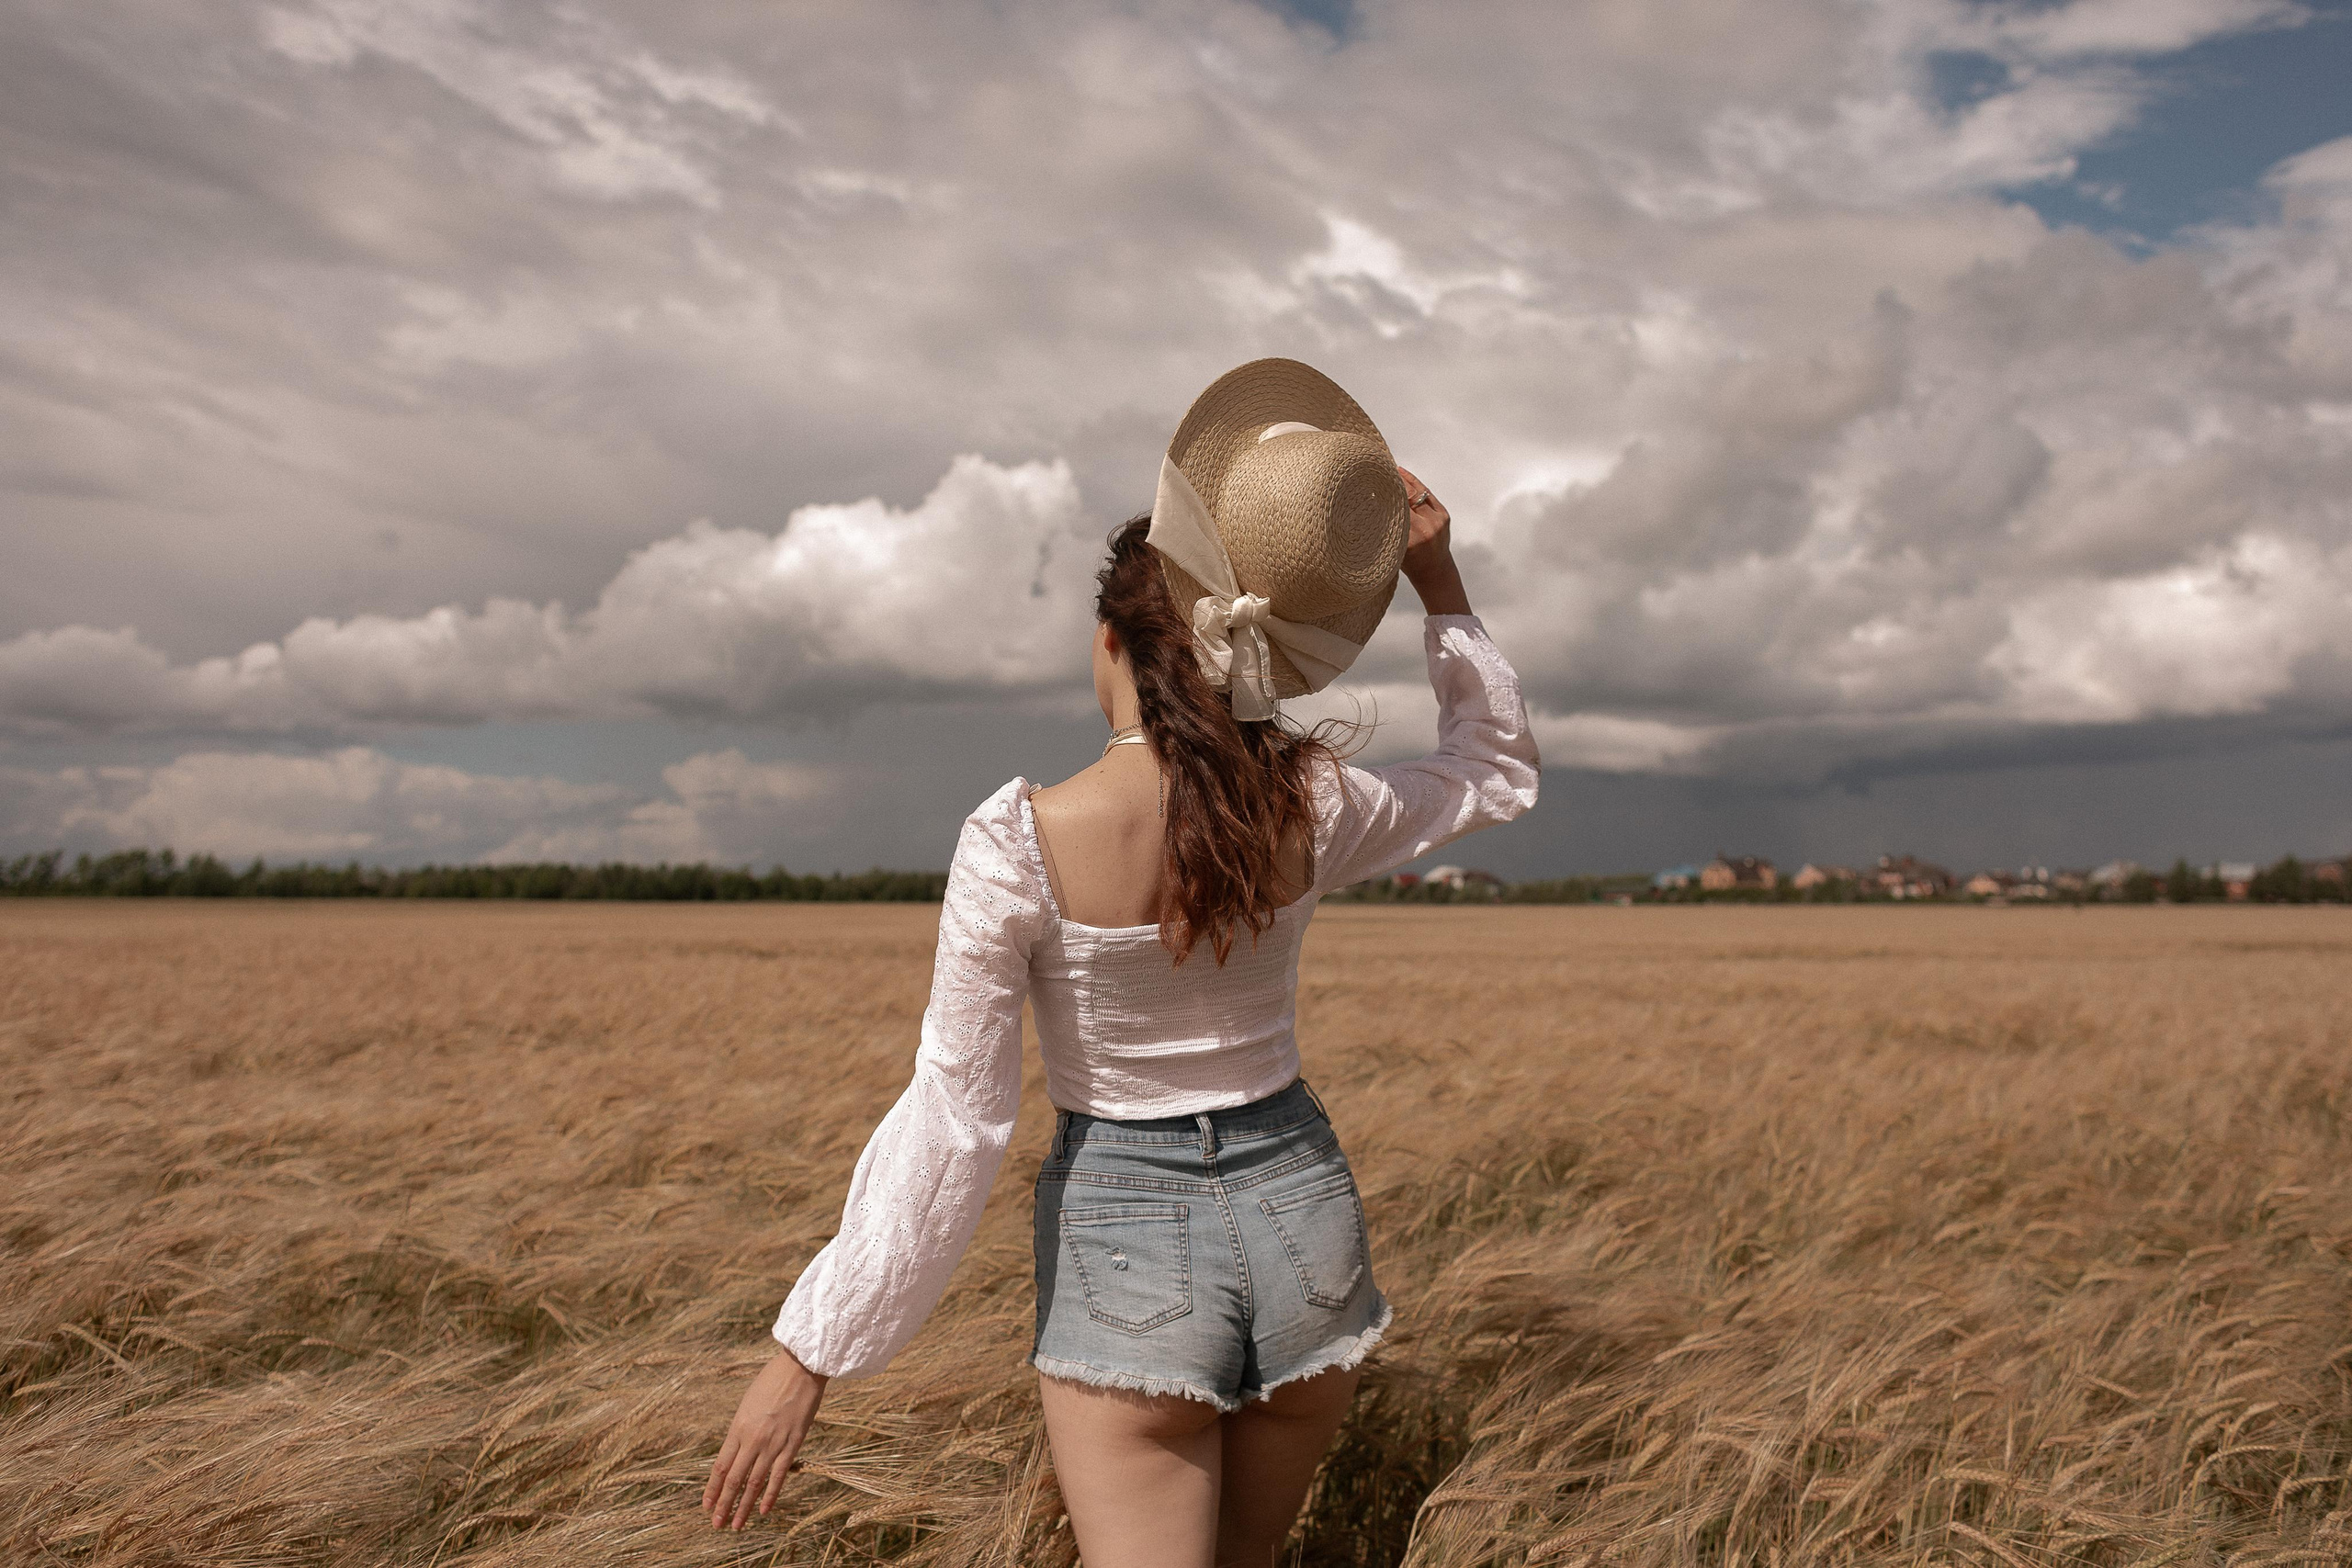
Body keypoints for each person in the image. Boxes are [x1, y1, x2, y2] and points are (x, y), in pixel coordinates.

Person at [704, 358, 1541, 1562]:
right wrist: (1438, 579)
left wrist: (807, 1355)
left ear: (1111, 641)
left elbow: (957, 1116)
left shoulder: (1017, 844)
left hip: (1126, 1229)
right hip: (1305, 1212)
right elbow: (1491, 771)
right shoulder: (1307, 800)